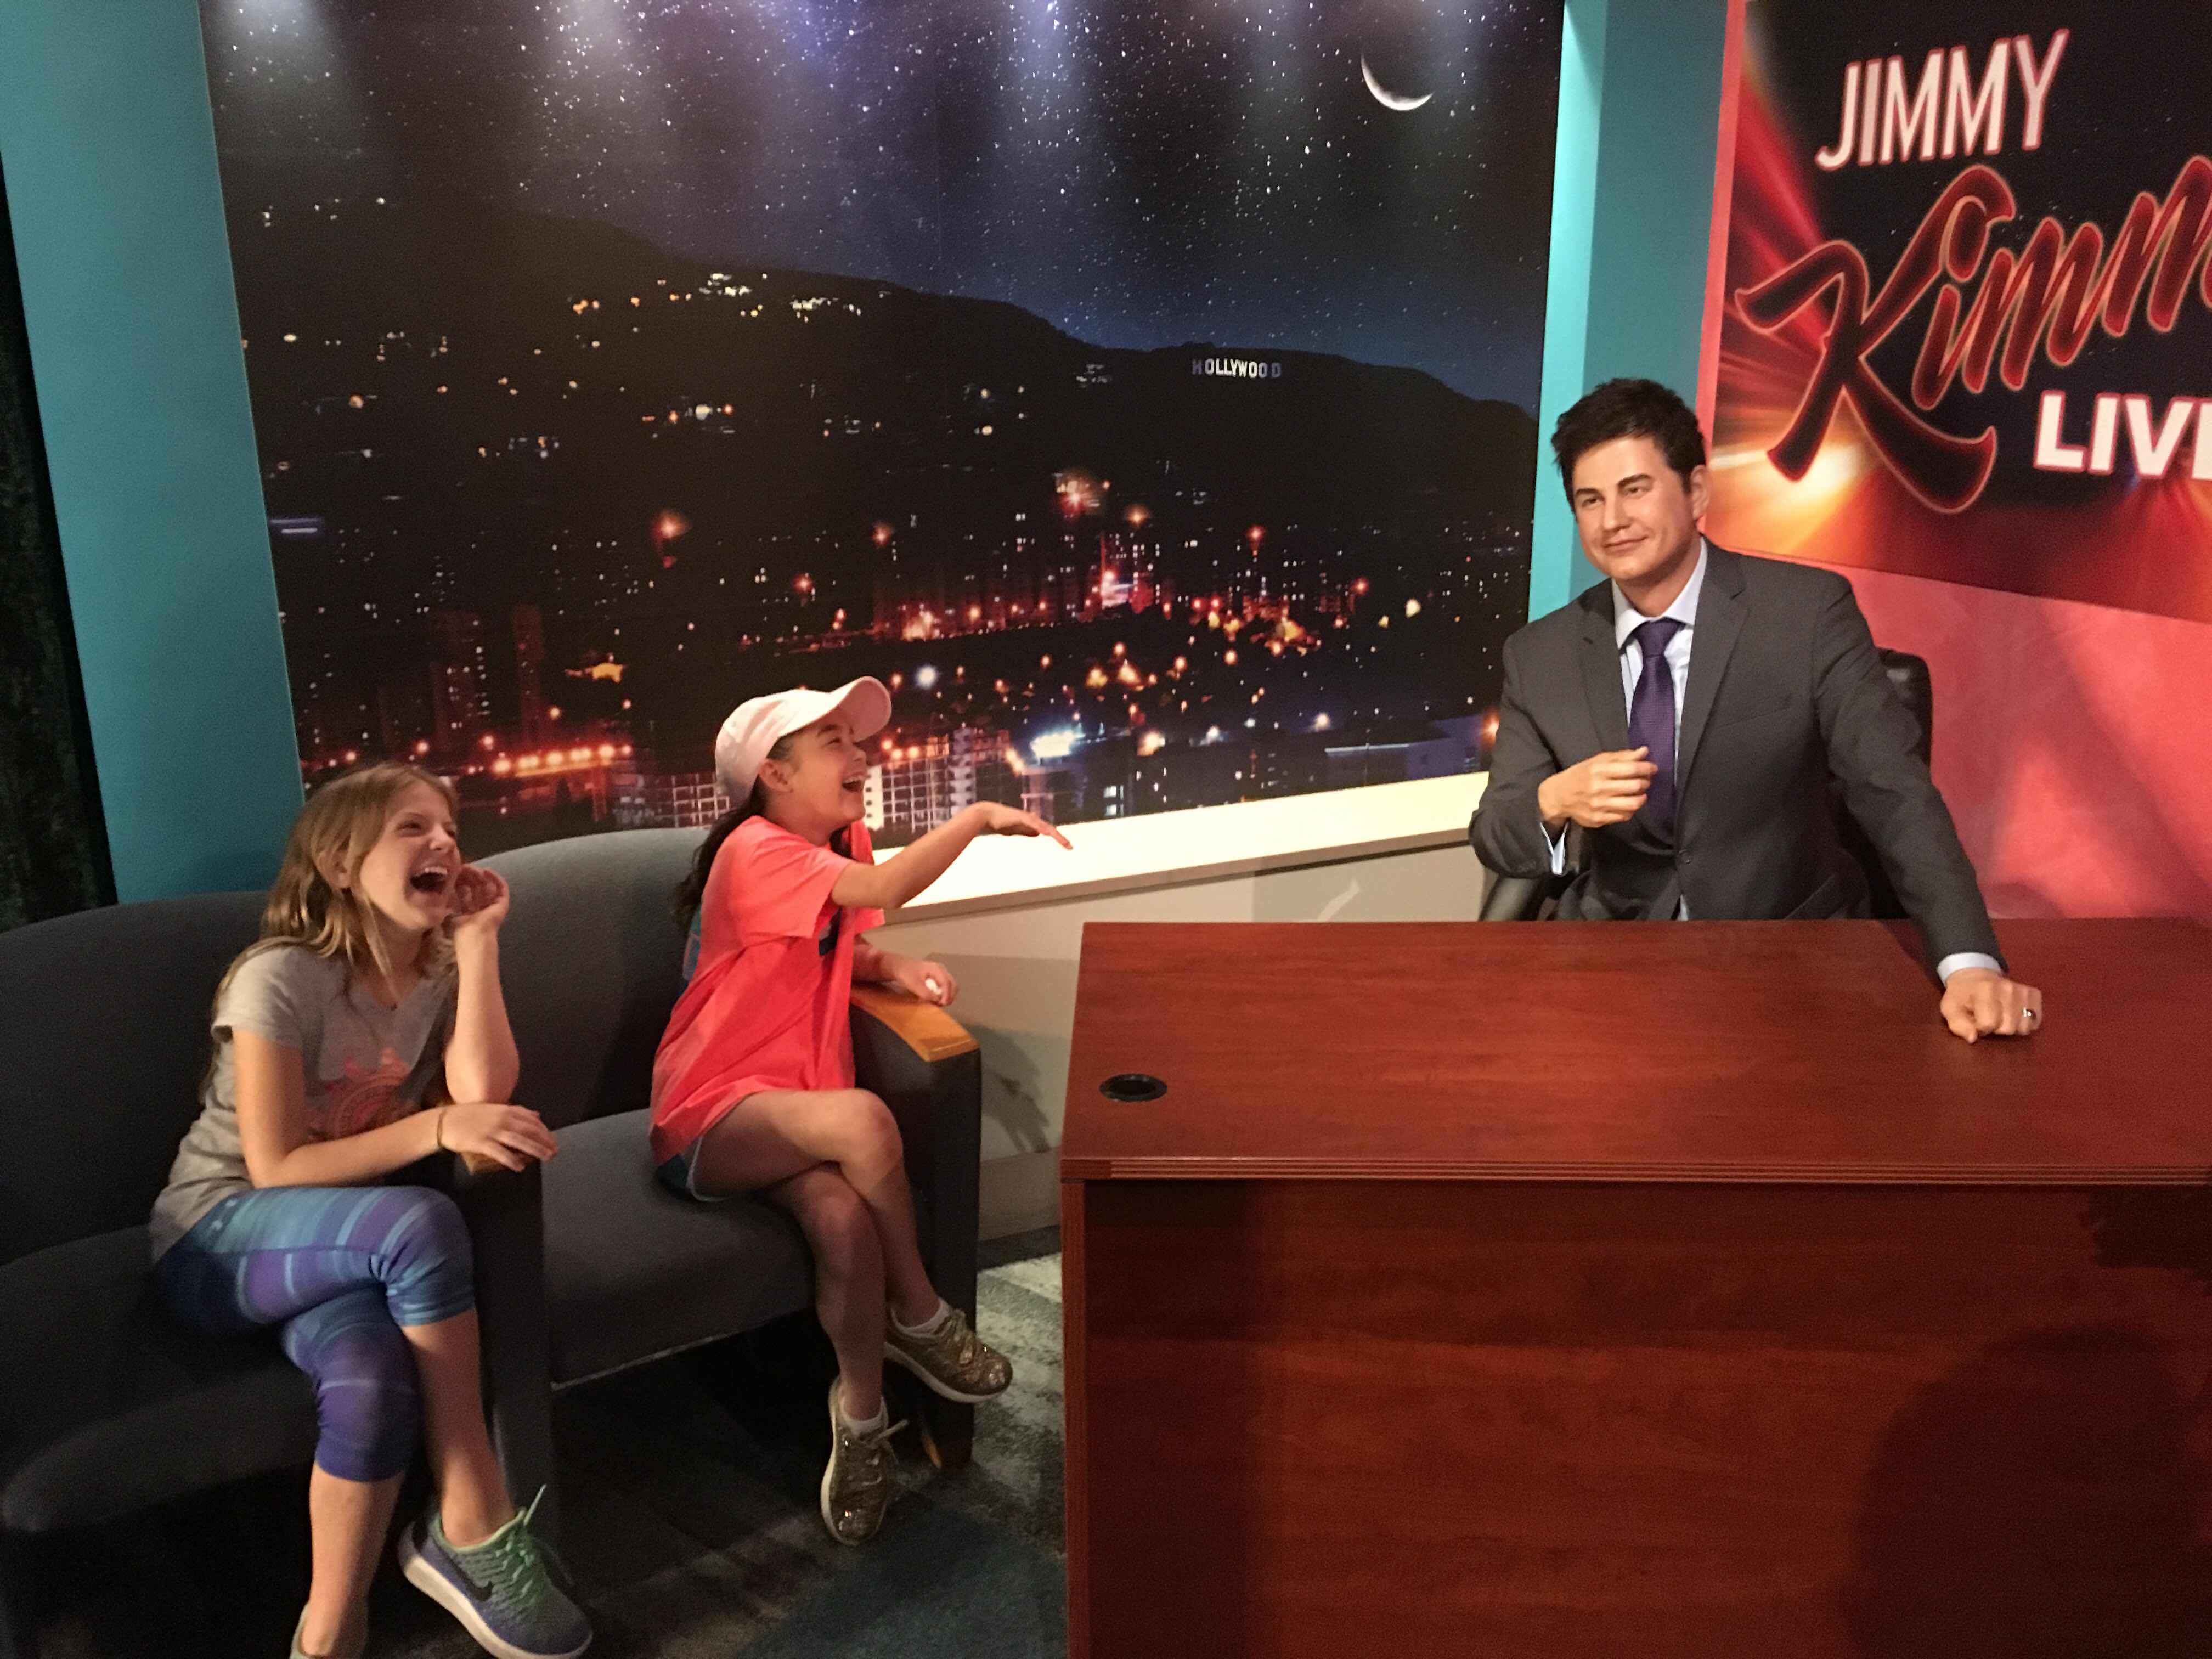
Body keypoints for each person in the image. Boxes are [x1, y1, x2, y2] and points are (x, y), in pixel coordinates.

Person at [149, 764, 590, 1659]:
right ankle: (472, 1509)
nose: (444, 843)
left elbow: (483, 1091)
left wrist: (479, 945)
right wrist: (436, 1124)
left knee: (374, 1378)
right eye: (411, 828)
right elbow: (276, 1166)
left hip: (347, 1248)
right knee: (422, 1222)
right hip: (218, 1236)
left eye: (450, 828)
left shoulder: (434, 972)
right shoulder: (278, 976)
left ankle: (329, 1629)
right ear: (341, 864)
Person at [1469, 377, 2043, 1042]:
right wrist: (1553, 801)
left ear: (1697, 491)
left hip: (1787, 955)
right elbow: (1496, 833)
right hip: (1617, 961)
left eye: (1635, 489)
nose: (1611, 521)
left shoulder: (1806, 614)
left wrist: (1969, 965)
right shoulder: (1539, 655)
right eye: (1589, 500)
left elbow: (1895, 793)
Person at [654, 678, 1071, 1545]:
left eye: (857, 739)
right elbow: (886, 885)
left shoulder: (832, 839)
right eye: (835, 742)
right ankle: (921, 1317)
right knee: (867, 1122)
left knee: (845, 1225)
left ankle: (862, 1418)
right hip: (711, 1114)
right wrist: (976, 818)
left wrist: (893, 969)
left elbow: (829, 937)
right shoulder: (756, 848)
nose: (862, 756)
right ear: (774, 775)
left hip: (797, 1108)